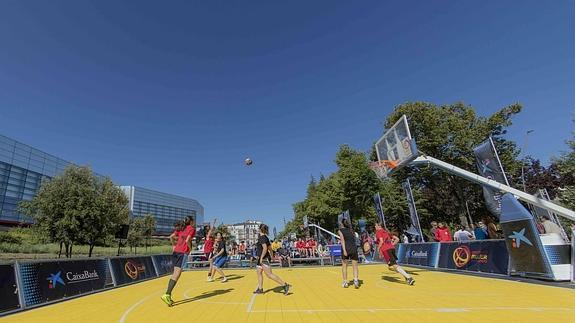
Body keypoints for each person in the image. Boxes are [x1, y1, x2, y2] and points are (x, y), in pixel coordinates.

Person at [161, 216, 196, 306]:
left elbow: (171, 237)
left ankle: (168, 295)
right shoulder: (191, 228)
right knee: (177, 274)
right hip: (183, 252)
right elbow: (188, 240)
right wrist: (190, 248)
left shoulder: (182, 227)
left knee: (175, 273)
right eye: (193, 221)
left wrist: (173, 246)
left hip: (176, 251)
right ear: (191, 221)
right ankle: (167, 294)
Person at [253, 224, 291, 295]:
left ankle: (285, 285)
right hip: (261, 259)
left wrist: (261, 258)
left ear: (260, 229)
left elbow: (265, 248)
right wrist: (272, 257)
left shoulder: (262, 238)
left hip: (263, 259)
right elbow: (270, 249)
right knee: (259, 273)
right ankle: (260, 289)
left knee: (269, 275)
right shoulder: (265, 237)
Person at [338, 218, 360, 288]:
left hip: (346, 249)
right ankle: (356, 280)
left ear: (342, 224)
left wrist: (344, 250)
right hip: (353, 248)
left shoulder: (340, 231)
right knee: (355, 266)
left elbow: (342, 241)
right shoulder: (351, 230)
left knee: (344, 266)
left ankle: (345, 282)